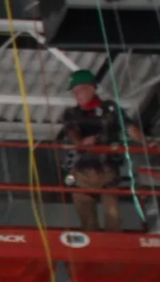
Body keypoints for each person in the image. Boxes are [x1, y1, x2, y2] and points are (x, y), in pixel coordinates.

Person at [55, 69, 143, 231]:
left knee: (112, 214)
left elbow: (129, 127)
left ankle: (114, 244)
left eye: (79, 90)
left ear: (91, 88)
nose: (76, 95)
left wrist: (145, 142)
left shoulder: (111, 109)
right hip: (81, 171)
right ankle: (92, 245)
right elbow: (72, 132)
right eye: (74, 92)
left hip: (107, 168)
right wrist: (82, 142)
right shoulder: (71, 114)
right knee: (86, 214)